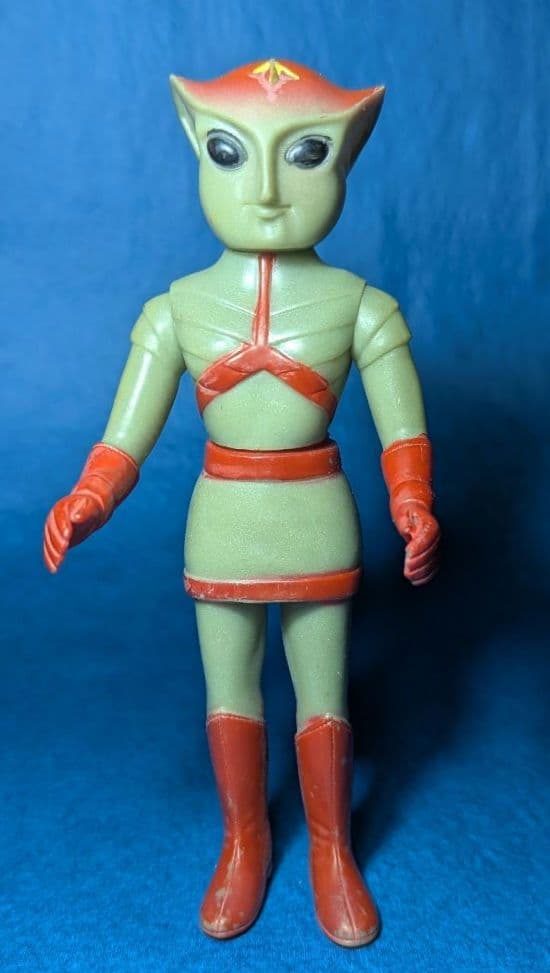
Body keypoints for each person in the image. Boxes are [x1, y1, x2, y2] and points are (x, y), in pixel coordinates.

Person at [43, 59, 440, 948]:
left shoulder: (362, 308)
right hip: (222, 520)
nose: (265, 190)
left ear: (345, 160)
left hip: (317, 517)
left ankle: (332, 847)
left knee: (322, 688)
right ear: (199, 151)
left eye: (303, 154)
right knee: (228, 686)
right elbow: (124, 436)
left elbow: (402, 431)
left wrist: (412, 499)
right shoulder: (177, 309)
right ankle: (244, 838)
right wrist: (90, 495)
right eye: (231, 153)